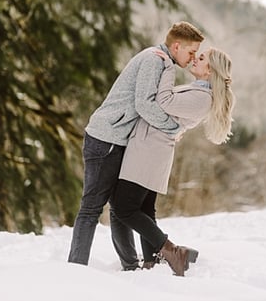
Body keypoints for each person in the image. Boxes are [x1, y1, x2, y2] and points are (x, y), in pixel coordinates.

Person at [67, 21, 205, 268]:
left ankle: (131, 265)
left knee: (118, 208)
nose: (193, 58)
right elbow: (144, 104)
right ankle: (75, 269)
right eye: (192, 52)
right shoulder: (154, 60)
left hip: (118, 139)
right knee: (91, 209)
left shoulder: (162, 61)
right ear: (177, 46)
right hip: (106, 137)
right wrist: (173, 128)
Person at [110, 47, 234, 276]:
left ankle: (172, 251)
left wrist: (168, 66)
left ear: (210, 70)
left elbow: (165, 101)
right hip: (149, 148)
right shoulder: (198, 91)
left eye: (201, 58)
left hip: (150, 151)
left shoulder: (202, 98)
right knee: (144, 209)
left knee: (123, 207)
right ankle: (151, 262)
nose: (195, 59)